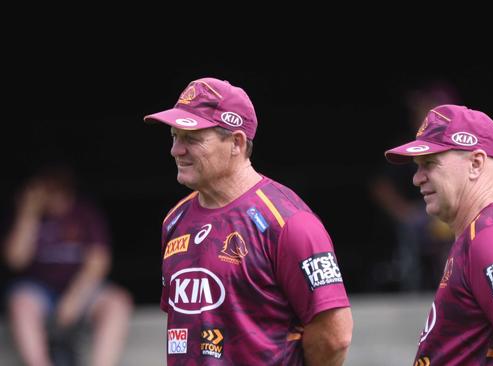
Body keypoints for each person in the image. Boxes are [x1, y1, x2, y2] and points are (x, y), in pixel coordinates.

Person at [143, 77, 353, 365]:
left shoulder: (288, 221)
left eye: (191, 138)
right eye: (174, 137)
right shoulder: (175, 220)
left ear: (236, 142)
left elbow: (335, 337)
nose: (176, 150)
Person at [384, 104, 493, 365]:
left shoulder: (492, 239)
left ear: (476, 163)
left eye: (429, 163)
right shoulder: (483, 232)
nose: (416, 178)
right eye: (417, 166)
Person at [3, 164, 133, 366]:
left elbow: (99, 261)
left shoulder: (84, 212)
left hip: (82, 290)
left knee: (118, 302)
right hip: (39, 290)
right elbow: (16, 260)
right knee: (20, 302)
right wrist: (28, 213)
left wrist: (75, 298)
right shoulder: (26, 214)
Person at [369, 81, 458, 291]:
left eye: (426, 108)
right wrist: (404, 213)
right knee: (416, 226)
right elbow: (379, 185)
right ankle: (414, 287)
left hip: (454, 214)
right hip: (422, 217)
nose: (418, 177)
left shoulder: (461, 146)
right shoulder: (408, 144)